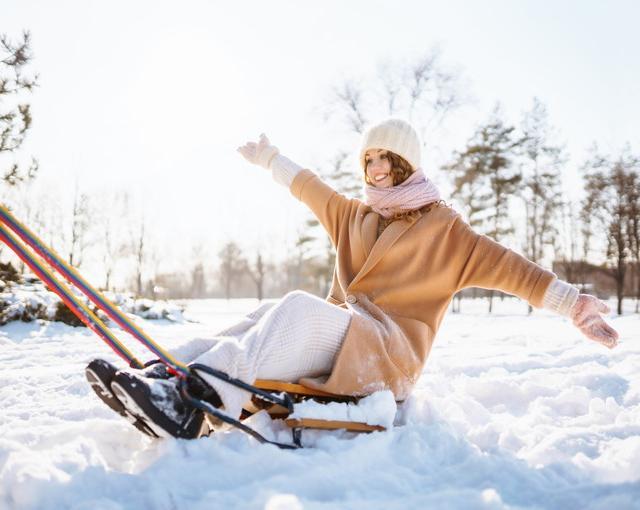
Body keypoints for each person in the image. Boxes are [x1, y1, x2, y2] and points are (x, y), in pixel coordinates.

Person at [86, 118, 619, 439]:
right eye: (369, 158)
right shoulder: (355, 216)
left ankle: (196, 402)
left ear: (407, 164)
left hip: (387, 354)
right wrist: (268, 157)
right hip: (346, 336)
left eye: (386, 158)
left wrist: (575, 305)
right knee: (262, 315)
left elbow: (513, 269)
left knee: (294, 308)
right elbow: (310, 186)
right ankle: (164, 377)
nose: (375, 168)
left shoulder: (447, 231)